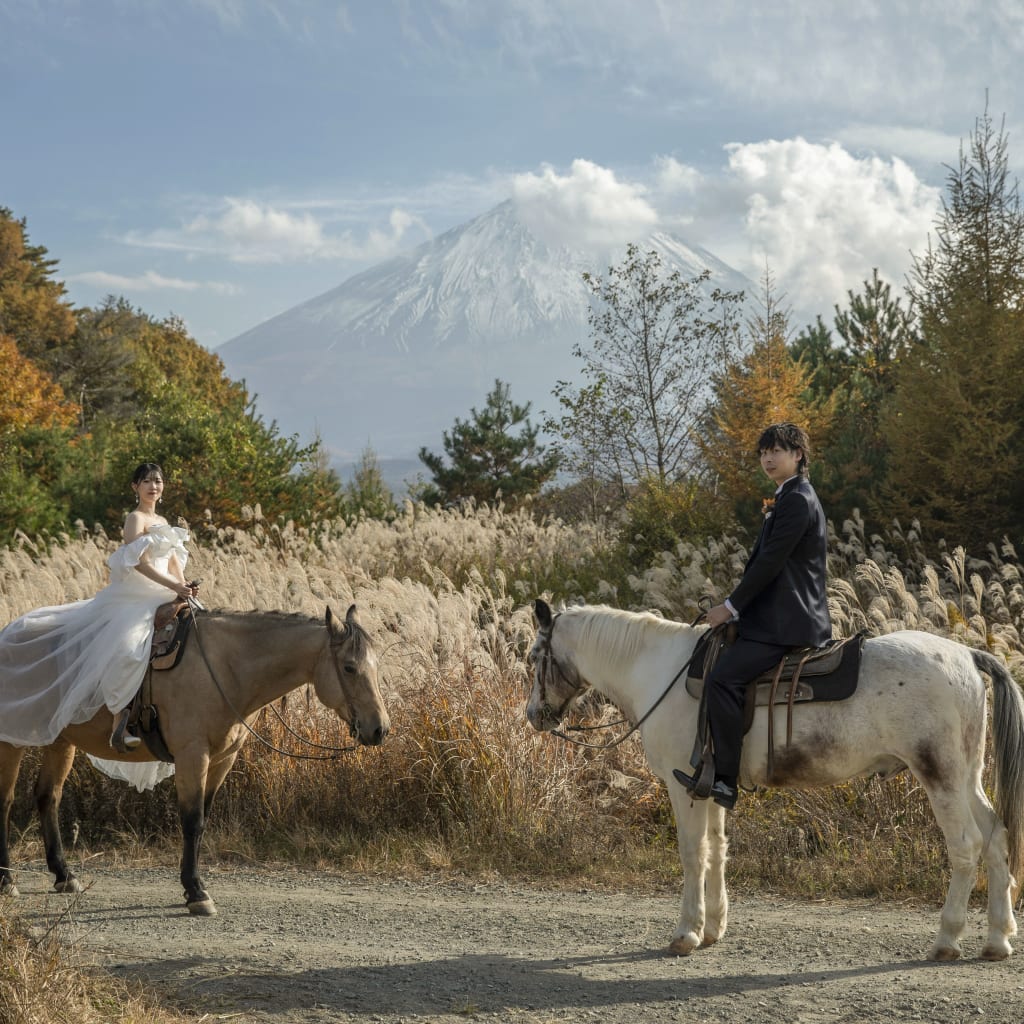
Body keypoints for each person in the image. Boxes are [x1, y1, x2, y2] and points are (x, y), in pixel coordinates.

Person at [0, 462, 199, 790]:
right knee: (128, 647)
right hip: (136, 597)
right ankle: (121, 719)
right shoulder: (135, 519)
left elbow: (175, 562)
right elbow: (138, 563)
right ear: (135, 487)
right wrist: (171, 586)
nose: (153, 486)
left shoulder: (164, 522)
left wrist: (184, 587)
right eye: (147, 481)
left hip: (168, 593)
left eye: (158, 481)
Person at [673, 423, 831, 810]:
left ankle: (725, 780)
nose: (768, 458)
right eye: (764, 452)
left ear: (798, 456)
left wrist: (730, 607)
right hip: (777, 616)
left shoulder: (796, 499)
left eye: (778, 450)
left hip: (787, 622)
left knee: (723, 680)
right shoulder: (788, 496)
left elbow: (770, 564)